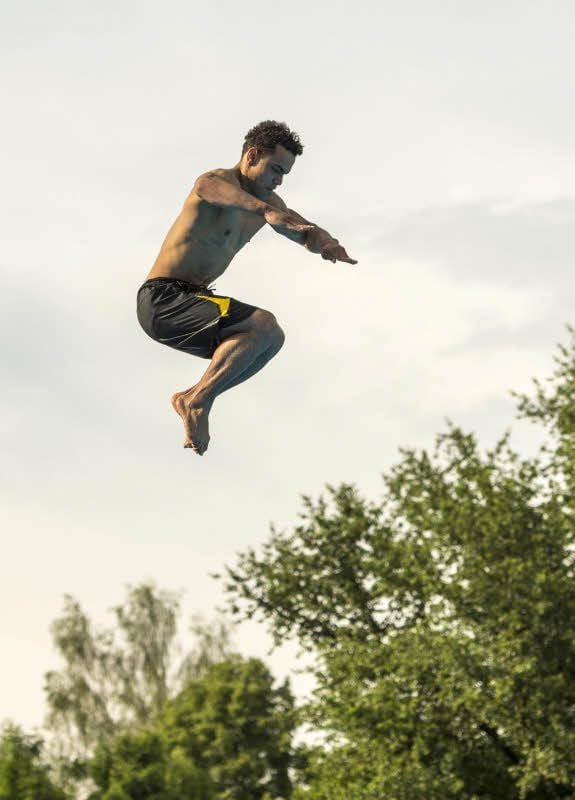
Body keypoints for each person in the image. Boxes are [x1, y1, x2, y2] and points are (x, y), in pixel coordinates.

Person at [137, 120, 357, 455]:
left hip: (193, 298)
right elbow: (205, 186)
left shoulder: (268, 202)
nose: (278, 180)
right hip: (163, 298)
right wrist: (266, 210)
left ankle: (193, 396)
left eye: (284, 174)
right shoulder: (218, 183)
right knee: (262, 323)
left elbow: (303, 229)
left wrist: (325, 242)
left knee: (270, 340)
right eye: (275, 169)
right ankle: (198, 400)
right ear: (252, 156)